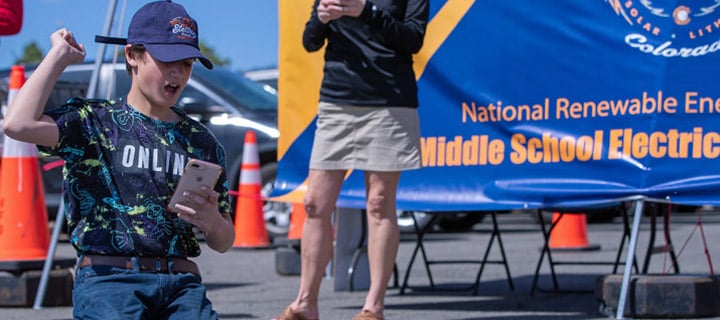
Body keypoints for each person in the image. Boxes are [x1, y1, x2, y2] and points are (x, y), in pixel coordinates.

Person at [2, 1, 235, 319]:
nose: (178, 73)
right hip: (110, 281)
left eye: (187, 62)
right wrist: (58, 58)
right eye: (167, 61)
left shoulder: (202, 142)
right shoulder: (93, 122)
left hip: (182, 284)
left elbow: (224, 241)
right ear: (132, 56)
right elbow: (17, 124)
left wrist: (213, 222)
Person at [274, 0, 428, 319]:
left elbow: (413, 38)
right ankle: (305, 304)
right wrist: (320, 19)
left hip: (390, 103)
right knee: (315, 204)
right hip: (336, 102)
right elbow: (310, 41)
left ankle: (374, 307)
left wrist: (366, 11)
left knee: (379, 204)